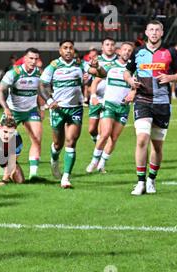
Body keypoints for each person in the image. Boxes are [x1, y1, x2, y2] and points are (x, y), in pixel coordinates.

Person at [123, 20, 177, 195]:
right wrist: (130, 80)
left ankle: (151, 179)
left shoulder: (170, 52)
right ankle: (140, 182)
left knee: (157, 146)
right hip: (142, 100)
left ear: (162, 32)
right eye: (151, 29)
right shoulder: (138, 52)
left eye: (157, 30)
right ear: (146, 32)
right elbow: (127, 71)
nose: (154, 32)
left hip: (162, 102)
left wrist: (170, 78)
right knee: (142, 139)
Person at [39, 39, 98, 188]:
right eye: (65, 48)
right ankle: (54, 159)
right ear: (60, 51)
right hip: (58, 109)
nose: (68, 50)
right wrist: (49, 100)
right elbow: (42, 85)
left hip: (75, 108)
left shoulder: (80, 64)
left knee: (71, 142)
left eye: (71, 48)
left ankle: (65, 178)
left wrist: (94, 71)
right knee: (58, 144)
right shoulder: (53, 66)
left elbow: (94, 73)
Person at [85, 42, 136, 173]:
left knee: (114, 137)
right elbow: (97, 78)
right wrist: (94, 95)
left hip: (123, 107)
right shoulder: (110, 66)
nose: (127, 52)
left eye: (130, 50)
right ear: (119, 51)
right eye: (125, 49)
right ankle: (93, 161)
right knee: (105, 133)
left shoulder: (135, 69)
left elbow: (137, 86)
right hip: (109, 104)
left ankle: (102, 164)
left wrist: (133, 92)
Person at [0, 48, 44, 181]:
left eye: (36, 59)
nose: (33, 61)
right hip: (13, 111)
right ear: (25, 58)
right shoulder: (14, 72)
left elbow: (40, 92)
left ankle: (33, 175)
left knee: (37, 139)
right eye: (31, 58)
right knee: (2, 142)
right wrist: (5, 108)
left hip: (31, 111)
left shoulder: (39, 73)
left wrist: (42, 108)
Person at [88, 38, 117, 144]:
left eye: (112, 44)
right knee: (92, 130)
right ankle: (97, 141)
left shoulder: (118, 61)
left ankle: (99, 153)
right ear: (102, 47)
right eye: (107, 44)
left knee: (103, 129)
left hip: (110, 99)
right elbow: (91, 75)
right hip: (96, 97)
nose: (110, 46)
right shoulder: (96, 60)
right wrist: (93, 95)